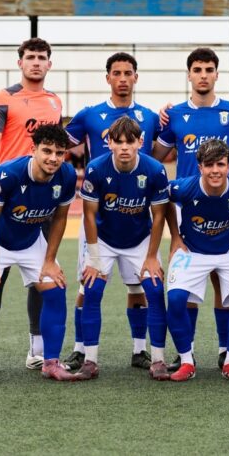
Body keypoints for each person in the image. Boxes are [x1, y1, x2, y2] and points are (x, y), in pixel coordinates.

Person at [62, 52, 161, 372]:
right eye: (116, 72)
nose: (122, 78)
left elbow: (161, 150)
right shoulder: (90, 115)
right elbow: (57, 143)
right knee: (86, 286)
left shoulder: (150, 117)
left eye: (128, 73)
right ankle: (81, 350)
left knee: (138, 289)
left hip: (136, 221)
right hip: (99, 219)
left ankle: (139, 350)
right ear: (108, 78)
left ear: (136, 77)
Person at [152, 47, 229, 369]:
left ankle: (225, 351)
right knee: (186, 287)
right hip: (187, 208)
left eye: (209, 69)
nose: (203, 75)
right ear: (189, 74)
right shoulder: (174, 114)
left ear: (217, 74)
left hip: (226, 207)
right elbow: (156, 156)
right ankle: (186, 353)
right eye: (197, 69)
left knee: (223, 282)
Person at [0, 124, 76, 385]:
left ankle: (50, 362)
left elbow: (60, 219)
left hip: (30, 240)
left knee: (56, 289)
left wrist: (50, 261)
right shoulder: (9, 173)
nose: (53, 158)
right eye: (47, 150)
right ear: (33, 149)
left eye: (59, 153)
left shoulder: (67, 175)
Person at [0, 37, 63, 370]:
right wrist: (4, 186)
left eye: (42, 57)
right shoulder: (3, 98)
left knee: (40, 276)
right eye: (30, 57)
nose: (36, 62)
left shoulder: (54, 102)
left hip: (41, 203)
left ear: (49, 64)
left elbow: (55, 148)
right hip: (8, 202)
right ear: (20, 63)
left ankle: (37, 349)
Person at [74, 116, 171, 381]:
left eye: (130, 141)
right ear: (109, 143)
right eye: (119, 142)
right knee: (92, 289)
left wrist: (151, 257)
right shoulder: (95, 169)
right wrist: (93, 258)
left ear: (141, 142)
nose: (125, 147)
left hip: (139, 239)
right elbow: (89, 216)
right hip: (103, 239)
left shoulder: (154, 170)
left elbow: (159, 216)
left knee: (153, 288)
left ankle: (156, 358)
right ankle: (90, 361)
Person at [165, 139, 229, 382]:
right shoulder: (183, 188)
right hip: (192, 251)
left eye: (220, 164)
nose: (215, 170)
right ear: (199, 167)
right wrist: (175, 237)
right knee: (175, 299)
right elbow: (163, 201)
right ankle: (186, 361)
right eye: (209, 165)